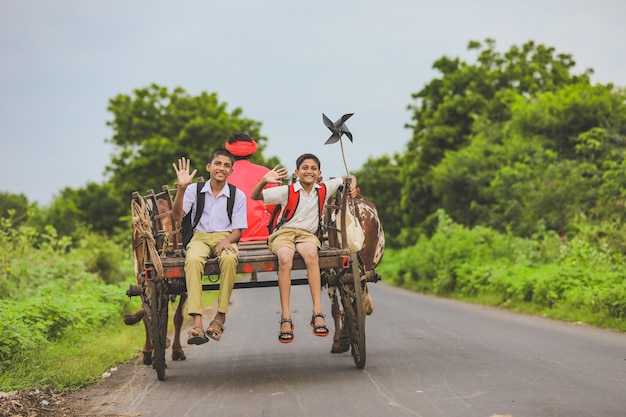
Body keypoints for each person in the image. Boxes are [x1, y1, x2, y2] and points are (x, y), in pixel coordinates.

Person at [250, 153, 357, 343]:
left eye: (313, 168)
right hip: (283, 234)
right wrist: (264, 180)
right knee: (285, 258)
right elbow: (255, 195)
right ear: (297, 172)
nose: (309, 171)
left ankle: (317, 312)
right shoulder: (287, 191)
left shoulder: (324, 188)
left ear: (319, 173)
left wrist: (352, 187)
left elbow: (349, 178)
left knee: (311, 255)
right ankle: (285, 317)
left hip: (307, 235)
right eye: (305, 168)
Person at [172, 149, 247, 345]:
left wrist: (228, 240)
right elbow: (177, 216)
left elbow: (238, 230)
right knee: (193, 260)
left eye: (226, 165)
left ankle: (219, 317)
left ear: (231, 171)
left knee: (230, 259)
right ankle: (197, 322)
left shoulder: (237, 195)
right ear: (209, 167)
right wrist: (181, 188)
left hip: (226, 236)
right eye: (217, 164)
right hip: (200, 236)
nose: (221, 168)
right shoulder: (193, 190)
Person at [225, 132, 275, 242]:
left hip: (228, 238)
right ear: (252, 152)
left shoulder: (222, 175)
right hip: (262, 236)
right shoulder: (265, 173)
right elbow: (275, 209)